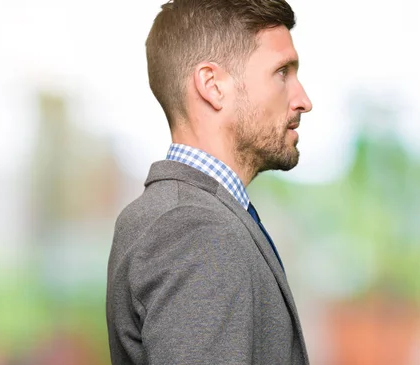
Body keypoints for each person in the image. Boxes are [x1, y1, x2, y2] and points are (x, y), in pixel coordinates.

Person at [105, 0, 313, 364]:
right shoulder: (195, 229)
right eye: (282, 72)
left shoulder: (178, 215)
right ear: (213, 85)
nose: (303, 100)